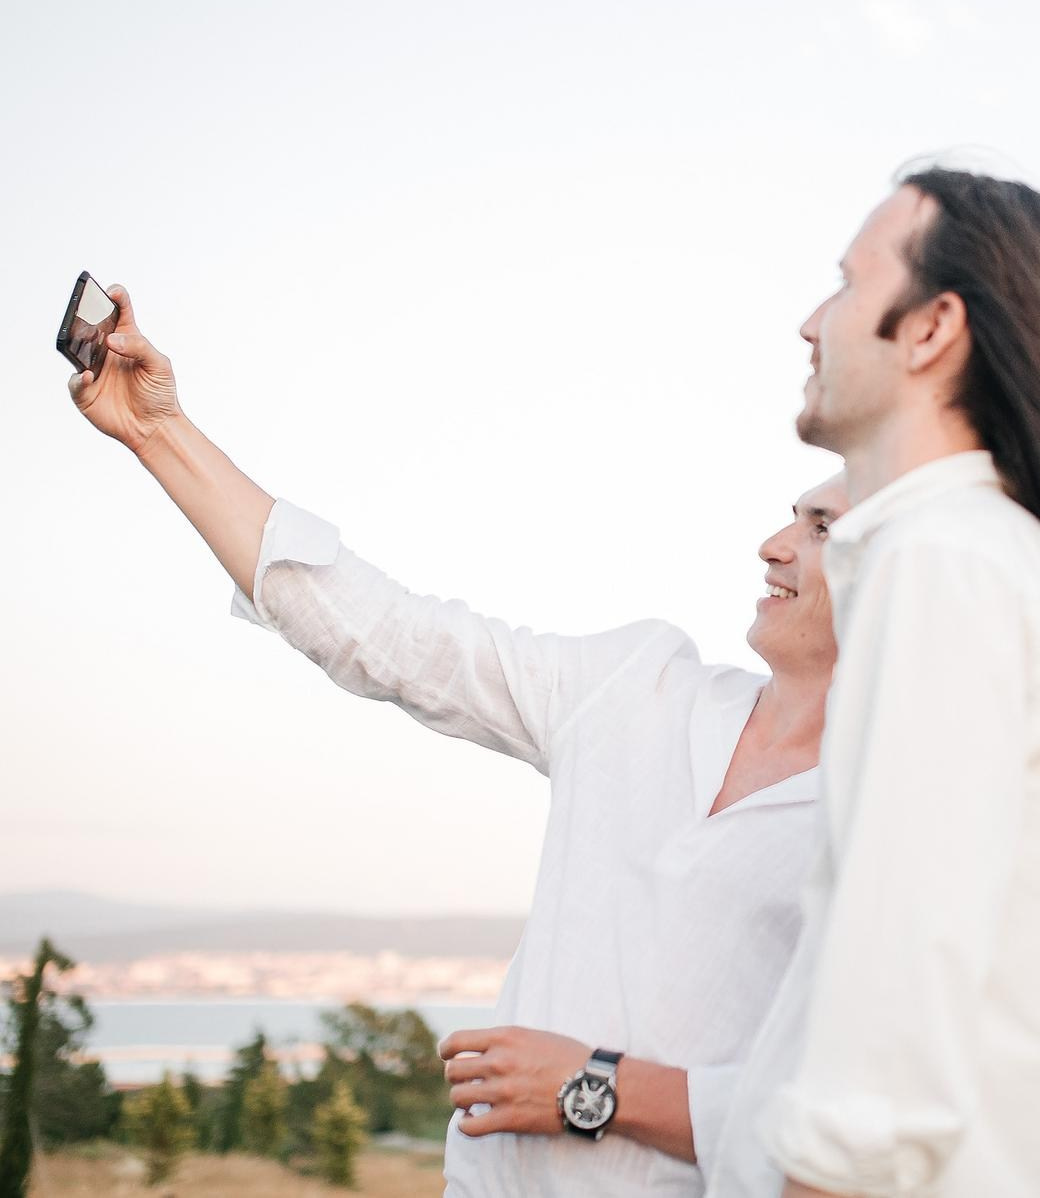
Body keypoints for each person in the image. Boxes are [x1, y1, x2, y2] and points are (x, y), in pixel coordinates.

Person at [65, 285, 848, 1197]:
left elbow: (856, 1124)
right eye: (792, 515)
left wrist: (594, 1089)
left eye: (820, 527)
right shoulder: (641, 683)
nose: (772, 545)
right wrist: (159, 432)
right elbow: (389, 638)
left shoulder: (905, 809)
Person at [705, 168, 1040, 1197]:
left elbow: (893, 996)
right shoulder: (971, 559)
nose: (808, 322)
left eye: (843, 284)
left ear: (930, 328)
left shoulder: (946, 563)